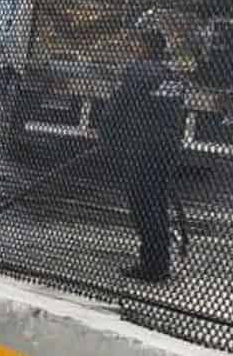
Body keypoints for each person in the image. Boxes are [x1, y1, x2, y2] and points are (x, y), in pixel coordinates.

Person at [100, 24, 184, 282]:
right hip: (166, 149)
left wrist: (107, 136)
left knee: (142, 205)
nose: (134, 50)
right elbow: (178, 116)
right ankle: (160, 261)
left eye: (138, 45)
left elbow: (117, 107)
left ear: (145, 47)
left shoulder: (138, 71)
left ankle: (152, 265)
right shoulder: (173, 76)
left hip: (142, 149)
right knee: (157, 203)